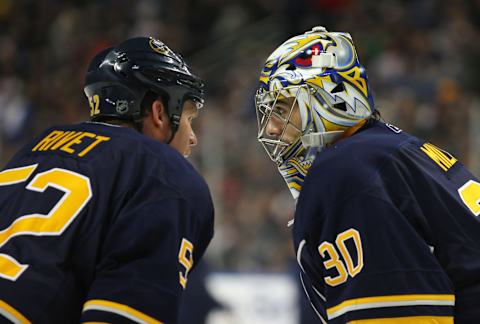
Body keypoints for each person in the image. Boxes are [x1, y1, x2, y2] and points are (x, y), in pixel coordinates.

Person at [255, 26, 480, 323]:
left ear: (331, 97)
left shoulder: (345, 172)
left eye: (283, 108)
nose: (271, 128)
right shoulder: (387, 150)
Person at [0, 37, 214, 323]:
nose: (192, 137)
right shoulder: (165, 172)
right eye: (189, 119)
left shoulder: (33, 149)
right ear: (159, 112)